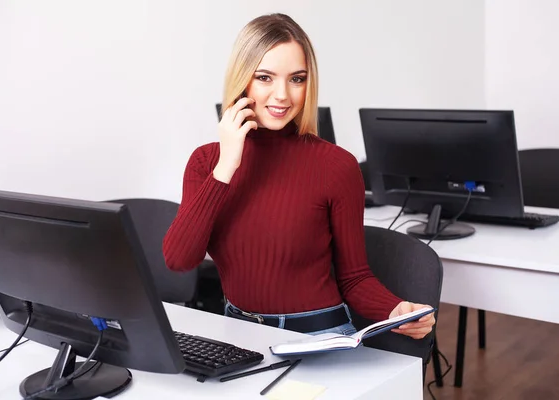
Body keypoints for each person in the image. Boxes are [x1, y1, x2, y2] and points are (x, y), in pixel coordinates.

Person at [163, 13, 435, 339]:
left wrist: (396, 311)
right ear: (242, 79)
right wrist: (226, 165)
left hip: (318, 335)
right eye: (265, 77)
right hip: (238, 333)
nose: (282, 95)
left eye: (296, 79)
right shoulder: (206, 162)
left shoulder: (336, 166)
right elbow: (179, 260)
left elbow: (355, 277)